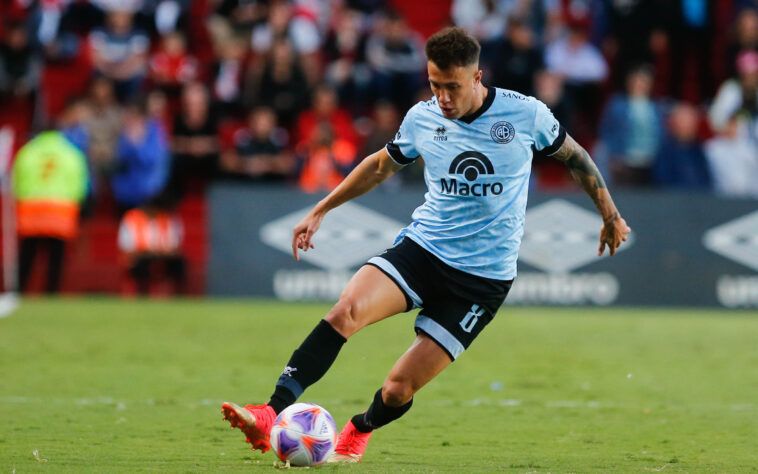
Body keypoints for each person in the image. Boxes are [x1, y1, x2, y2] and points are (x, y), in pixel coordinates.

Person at [221, 27, 630, 463]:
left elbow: (576, 157)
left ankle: (360, 428)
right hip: (422, 250)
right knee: (345, 311)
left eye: (452, 87)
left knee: (398, 389)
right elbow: (380, 166)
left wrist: (610, 215)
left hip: (480, 281)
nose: (443, 98)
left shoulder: (525, 114)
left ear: (477, 77)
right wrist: (321, 208)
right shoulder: (422, 118)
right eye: (435, 85)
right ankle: (270, 412)